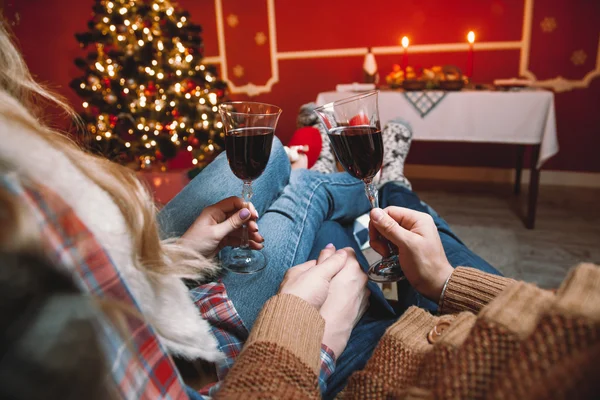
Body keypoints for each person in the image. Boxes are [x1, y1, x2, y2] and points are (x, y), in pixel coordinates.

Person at [0, 21, 503, 399]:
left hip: (157, 288)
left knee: (275, 165)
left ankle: (365, 185)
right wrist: (317, 335)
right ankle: (380, 186)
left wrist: (178, 253)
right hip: (210, 339)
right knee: (320, 200)